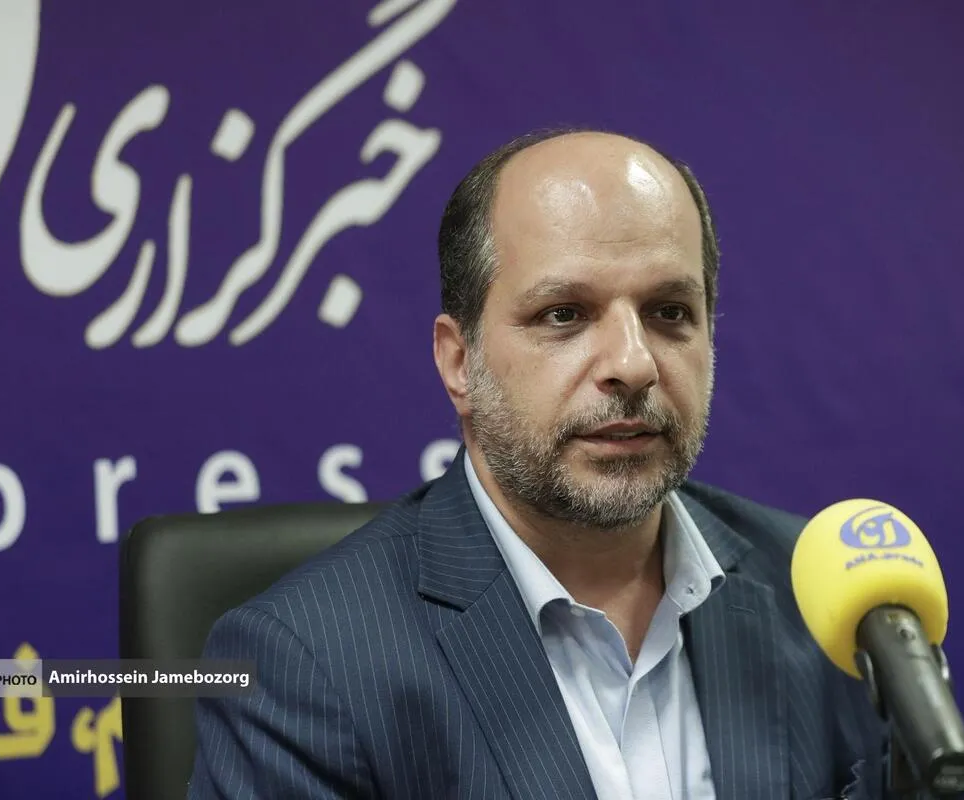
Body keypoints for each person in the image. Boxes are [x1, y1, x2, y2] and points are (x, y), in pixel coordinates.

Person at [187, 129, 885, 799]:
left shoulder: (831, 595)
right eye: (564, 314)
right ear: (459, 362)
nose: (633, 363)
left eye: (670, 312)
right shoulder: (304, 663)